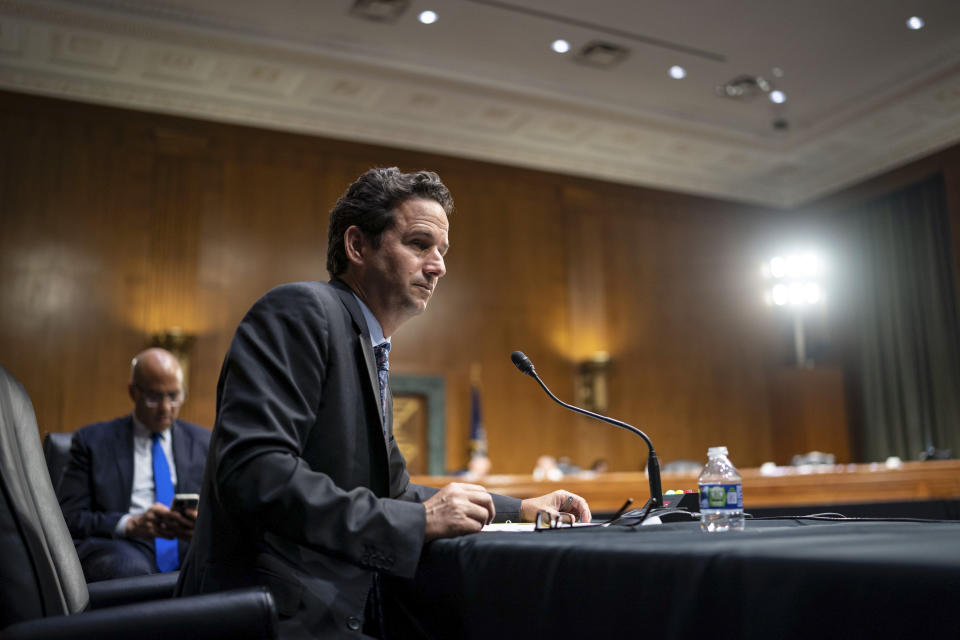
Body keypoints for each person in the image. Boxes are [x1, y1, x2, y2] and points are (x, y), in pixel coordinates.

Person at [176, 168, 590, 638]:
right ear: (358, 246)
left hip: (332, 605)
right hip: (269, 615)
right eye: (419, 244)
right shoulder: (301, 312)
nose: (438, 266)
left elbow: (393, 492)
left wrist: (523, 509)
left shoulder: (367, 348)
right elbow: (254, 472)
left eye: (442, 251)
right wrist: (419, 522)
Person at [58, 348, 210, 582]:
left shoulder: (204, 442)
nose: (166, 408)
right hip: (123, 546)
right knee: (130, 569)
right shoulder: (92, 442)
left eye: (174, 396)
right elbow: (68, 518)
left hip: (188, 547)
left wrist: (200, 525)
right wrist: (130, 524)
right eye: (154, 397)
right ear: (133, 391)